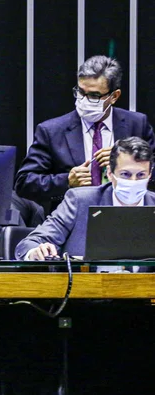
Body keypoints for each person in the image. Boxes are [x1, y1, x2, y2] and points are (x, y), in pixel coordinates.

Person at [15, 55, 155, 211]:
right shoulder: (52, 131)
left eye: (94, 96)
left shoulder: (137, 124)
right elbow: (24, 183)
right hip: (73, 221)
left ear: (114, 96)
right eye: (81, 92)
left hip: (129, 215)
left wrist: (127, 161)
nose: (84, 100)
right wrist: (67, 181)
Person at [15, 136, 155, 260]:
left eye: (141, 175)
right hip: (85, 286)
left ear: (150, 174)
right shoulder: (80, 201)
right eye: (125, 174)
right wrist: (35, 251)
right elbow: (30, 243)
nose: (133, 181)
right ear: (110, 173)